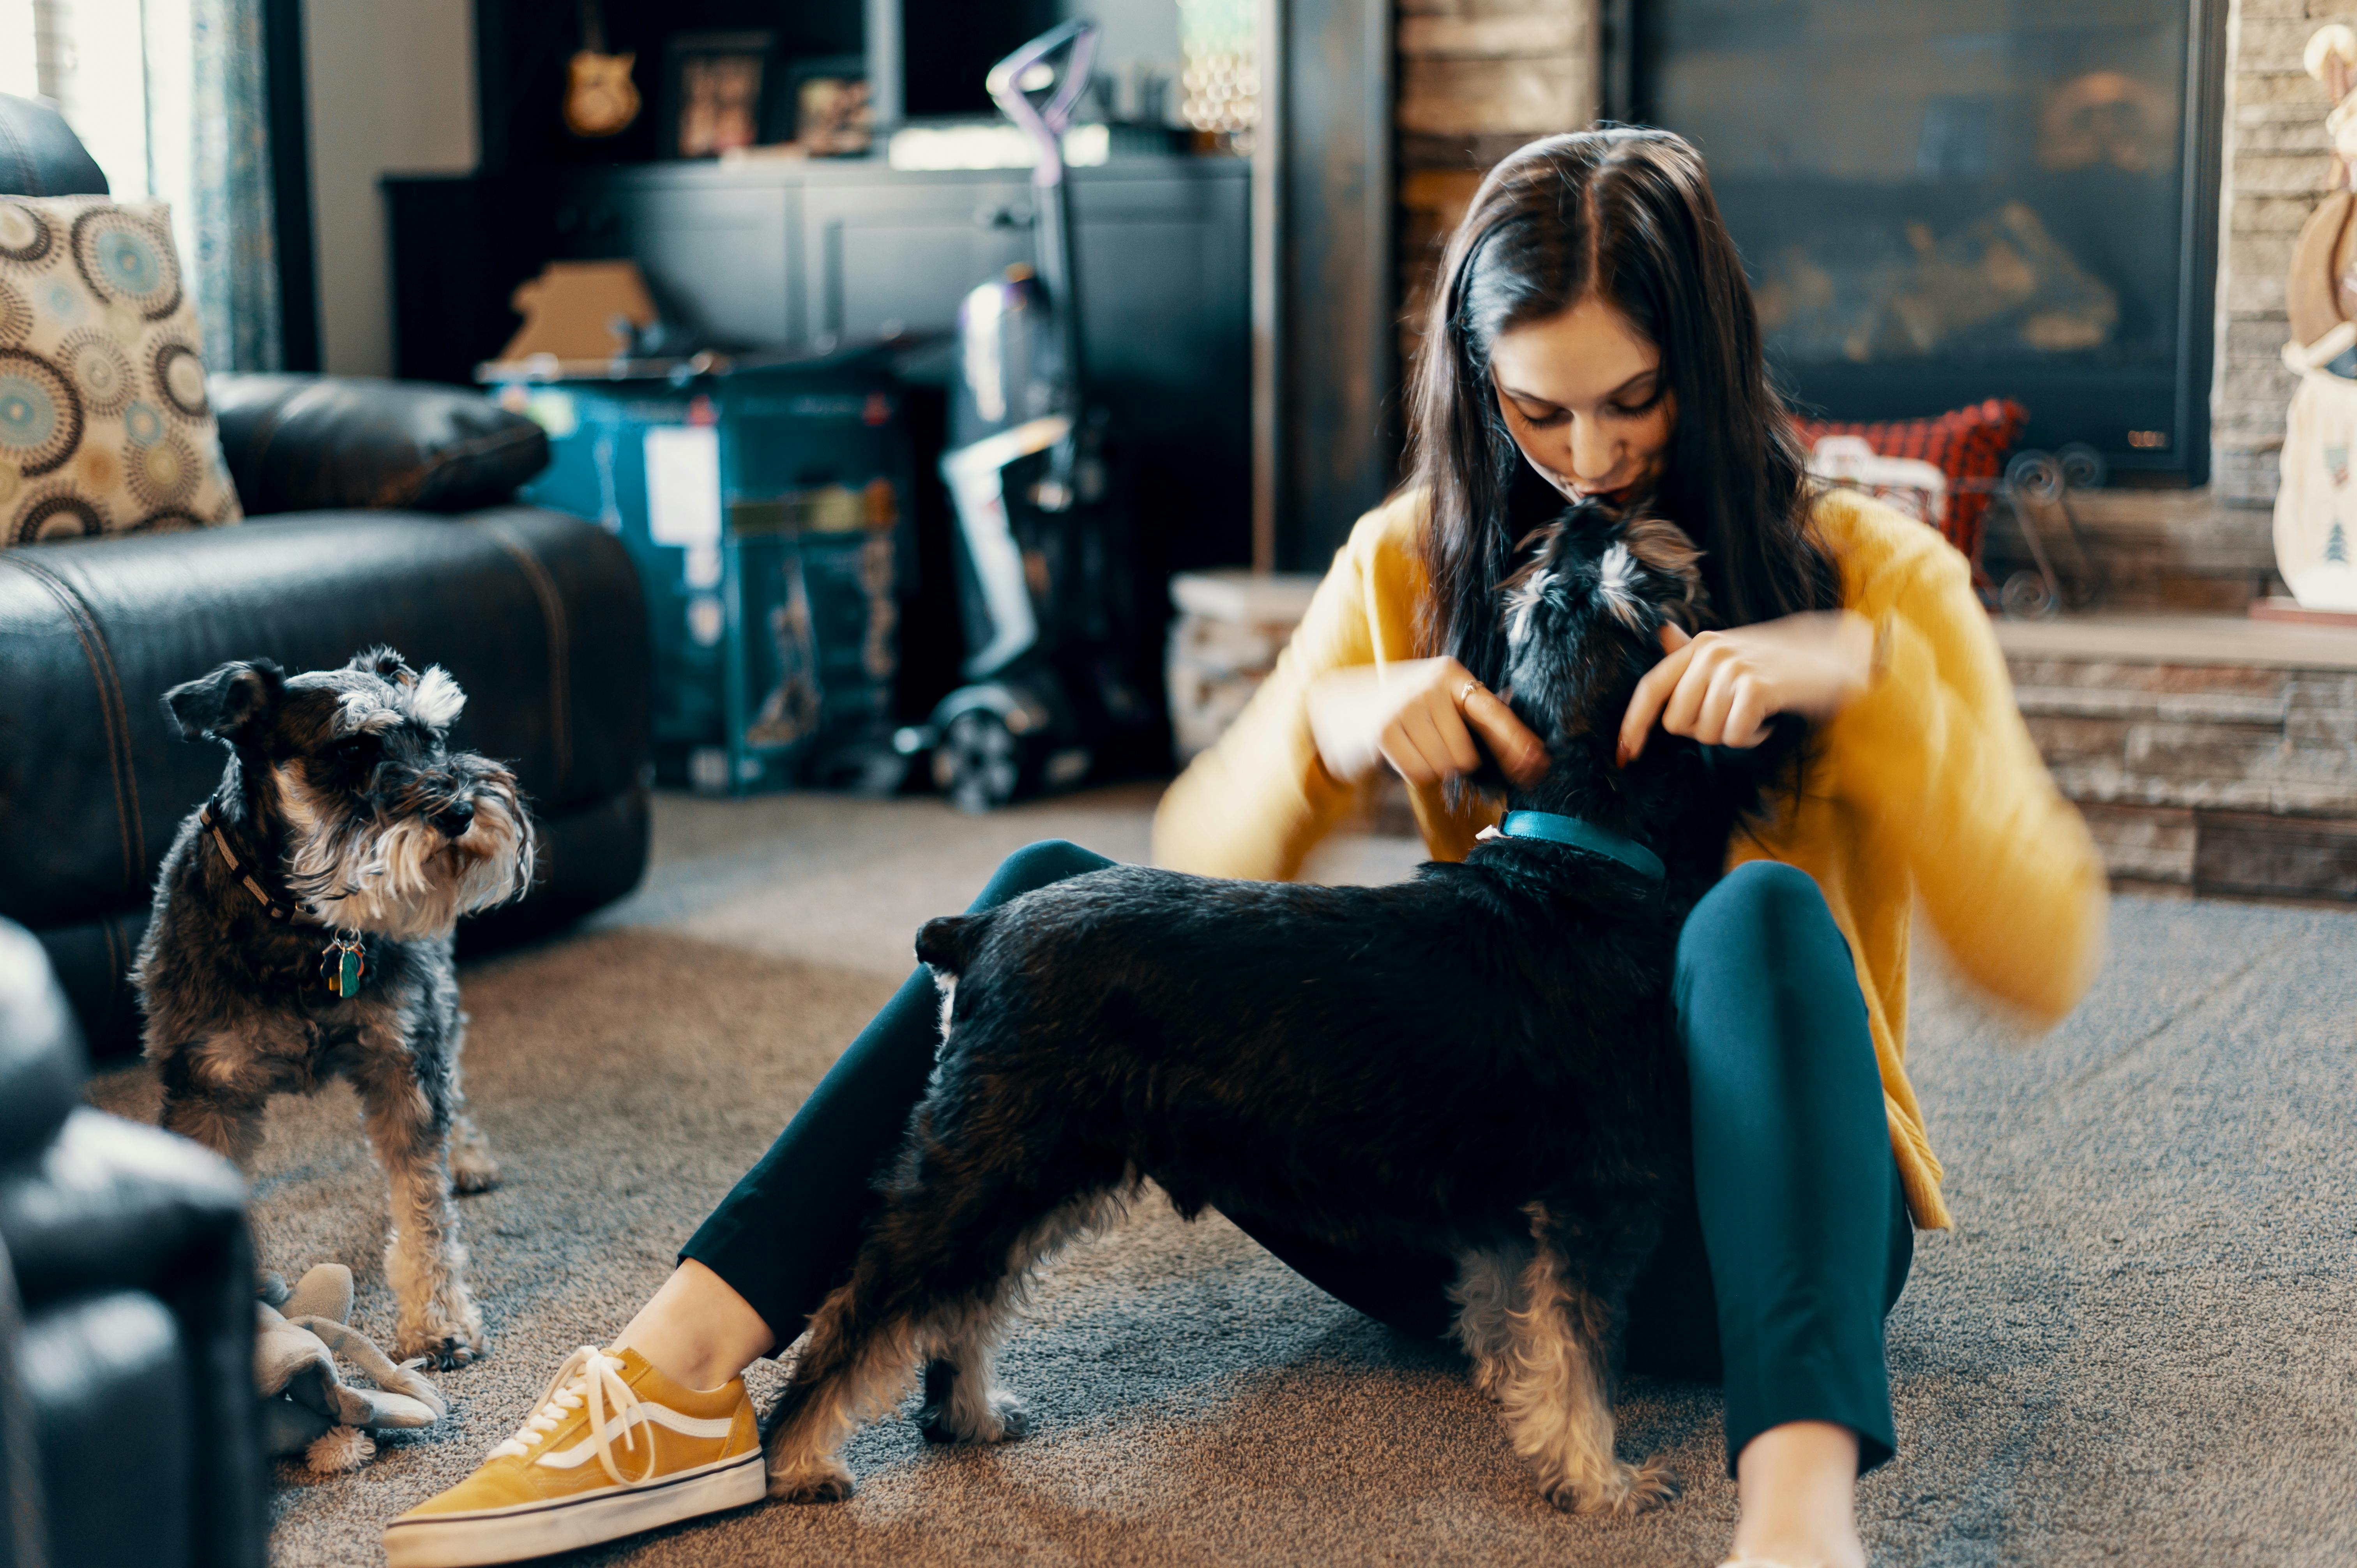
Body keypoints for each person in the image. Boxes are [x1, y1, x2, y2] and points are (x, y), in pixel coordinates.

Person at [385, 129, 2105, 1568]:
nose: (1589, 462)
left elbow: (2039, 954)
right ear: (1479, 387)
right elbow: (1196, 851)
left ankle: (1797, 1519)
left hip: (1747, 1239)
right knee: (1053, 909)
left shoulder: (1873, 577)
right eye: (1540, 414)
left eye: (1635, 405)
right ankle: (680, 1373)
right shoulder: (1413, 558)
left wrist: (1861, 680)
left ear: (1709, 366)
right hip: (1454, 1202)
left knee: (1759, 913)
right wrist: (1329, 723)